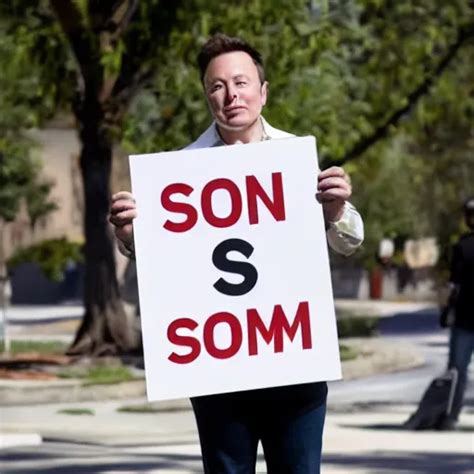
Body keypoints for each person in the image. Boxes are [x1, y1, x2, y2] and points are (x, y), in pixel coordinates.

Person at [109, 34, 364, 474]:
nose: (231, 96)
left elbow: (350, 241)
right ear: (206, 96)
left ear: (263, 92)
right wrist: (133, 236)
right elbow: (162, 276)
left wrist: (337, 208)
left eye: (241, 83)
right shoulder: (176, 174)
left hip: (294, 368)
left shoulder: (296, 158)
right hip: (219, 375)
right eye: (217, 86)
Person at [439, 197, 474, 430]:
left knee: (457, 369)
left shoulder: (463, 246)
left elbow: (454, 286)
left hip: (464, 317)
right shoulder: (461, 245)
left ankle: (451, 414)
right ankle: (450, 414)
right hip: (464, 317)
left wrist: (446, 311)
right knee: (457, 369)